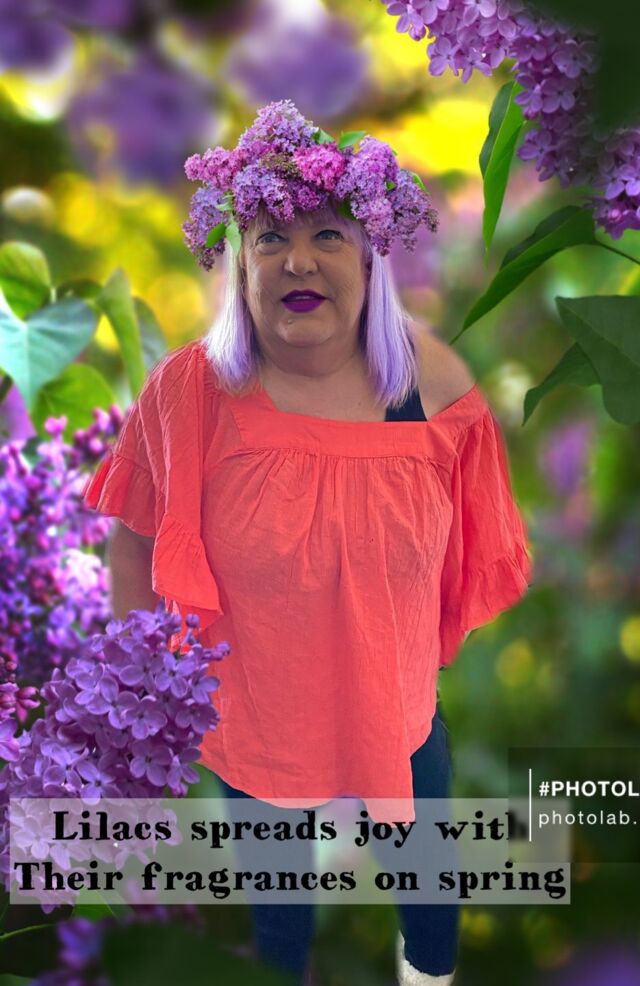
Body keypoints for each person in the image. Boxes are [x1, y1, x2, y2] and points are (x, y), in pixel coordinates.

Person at [82, 101, 533, 986]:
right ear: (238, 261)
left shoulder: (431, 388)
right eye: (269, 238)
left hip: (398, 716)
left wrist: (405, 642)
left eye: (327, 233)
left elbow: (476, 549)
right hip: (254, 722)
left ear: (369, 257)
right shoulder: (192, 392)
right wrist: (143, 684)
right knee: (278, 932)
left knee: (431, 913)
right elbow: (133, 544)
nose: (298, 259)